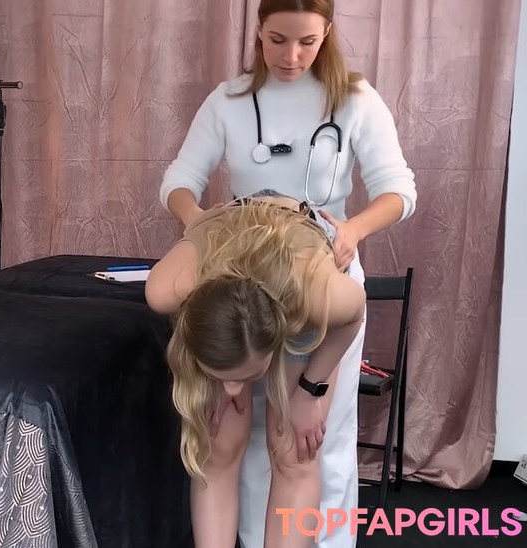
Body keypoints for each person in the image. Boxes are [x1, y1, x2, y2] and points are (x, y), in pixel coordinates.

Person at [158, 0, 417, 547]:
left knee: (299, 440)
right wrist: (198, 222)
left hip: (316, 265)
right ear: (258, 31)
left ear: (328, 33)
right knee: (225, 438)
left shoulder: (354, 100)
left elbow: (399, 190)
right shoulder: (228, 100)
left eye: (307, 42)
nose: (292, 56)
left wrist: (353, 230)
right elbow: (179, 181)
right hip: (238, 273)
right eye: (278, 40)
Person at [147, 193, 365, 548]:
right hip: (227, 234)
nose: (234, 390)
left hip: (298, 253)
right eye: (224, 377)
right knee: (217, 443)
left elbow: (353, 316)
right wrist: (217, 377)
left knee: (292, 450)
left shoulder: (315, 295)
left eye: (248, 377)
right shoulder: (166, 288)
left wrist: (311, 390)